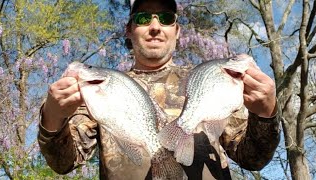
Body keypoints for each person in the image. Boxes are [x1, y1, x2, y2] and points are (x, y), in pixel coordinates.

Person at [38, 0, 281, 179]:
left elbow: (252, 158)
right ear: (129, 29)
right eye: (144, 18)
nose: (155, 26)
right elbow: (64, 162)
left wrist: (265, 114)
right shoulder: (97, 91)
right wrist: (53, 118)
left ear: (177, 32)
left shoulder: (212, 83)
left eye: (165, 18)